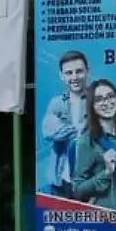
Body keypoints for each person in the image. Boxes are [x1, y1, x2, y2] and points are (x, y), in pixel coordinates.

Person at [72, 80, 116, 210]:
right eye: (99, 99)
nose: (107, 103)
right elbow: (78, 191)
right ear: (91, 106)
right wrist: (107, 172)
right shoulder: (87, 141)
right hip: (105, 222)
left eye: (110, 96)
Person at [42, 51, 90, 197]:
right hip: (61, 180)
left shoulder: (98, 99)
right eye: (69, 73)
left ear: (87, 71)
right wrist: (80, 130)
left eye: (79, 71)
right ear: (61, 75)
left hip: (91, 180)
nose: (74, 77)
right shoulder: (56, 103)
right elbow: (48, 131)